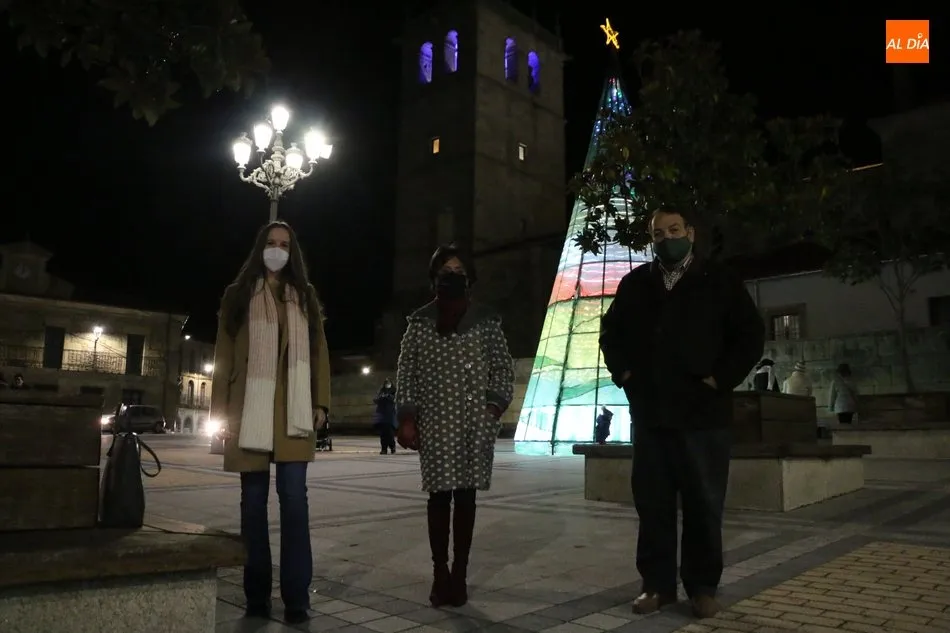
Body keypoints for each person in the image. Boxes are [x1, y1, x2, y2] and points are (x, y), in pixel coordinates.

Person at [599, 208, 764, 620]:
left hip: (703, 416)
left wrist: (718, 378)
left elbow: (749, 336)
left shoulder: (720, 280)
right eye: (658, 233)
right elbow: (611, 335)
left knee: (704, 504)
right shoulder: (636, 284)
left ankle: (702, 587)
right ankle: (656, 585)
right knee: (652, 504)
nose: (666, 238)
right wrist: (627, 375)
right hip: (652, 415)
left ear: (690, 233)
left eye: (674, 230)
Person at [210, 220, 331, 624]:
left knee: (295, 502)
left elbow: (319, 354)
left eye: (284, 244)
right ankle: (256, 596)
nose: (277, 249)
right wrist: (220, 413)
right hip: (251, 410)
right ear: (259, 248)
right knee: (253, 507)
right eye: (271, 243)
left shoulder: (305, 297)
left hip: (293, 411)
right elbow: (224, 357)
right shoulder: (238, 295)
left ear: (292, 252)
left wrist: (322, 403)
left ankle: (297, 598)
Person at [395, 244, 515, 608]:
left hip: (473, 426)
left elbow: (503, 368)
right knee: (438, 499)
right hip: (434, 425)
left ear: (469, 277)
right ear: (434, 278)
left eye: (458, 269)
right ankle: (439, 574)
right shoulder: (419, 324)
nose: (452, 274)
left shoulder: (486, 321)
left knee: (466, 498)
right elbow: (407, 373)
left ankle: (460, 574)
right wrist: (407, 418)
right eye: (445, 270)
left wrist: (491, 410)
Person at [373, 379, 397, 454]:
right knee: (383, 433)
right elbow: (375, 399)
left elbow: (396, 399)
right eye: (386, 383)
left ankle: (392, 447)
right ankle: (384, 449)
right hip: (382, 415)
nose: (387, 384)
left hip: (390, 415)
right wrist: (381, 397)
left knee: (390, 433)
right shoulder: (381, 391)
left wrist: (388, 397)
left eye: (389, 383)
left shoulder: (394, 391)